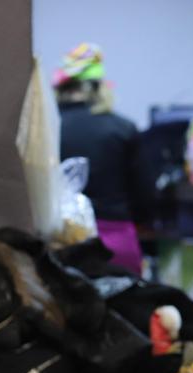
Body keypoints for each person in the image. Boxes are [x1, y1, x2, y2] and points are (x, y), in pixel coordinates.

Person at [53, 43, 144, 274]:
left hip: (61, 244)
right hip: (115, 243)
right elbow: (143, 192)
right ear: (99, 88)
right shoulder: (122, 128)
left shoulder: (47, 131)